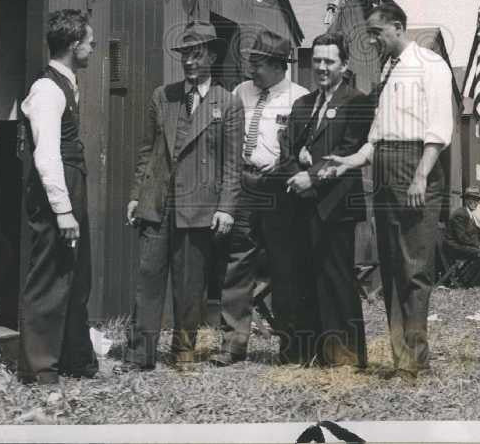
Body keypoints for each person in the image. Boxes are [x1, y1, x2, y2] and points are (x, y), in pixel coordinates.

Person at [321, 2, 454, 380]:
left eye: (377, 32)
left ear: (398, 27)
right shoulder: (386, 69)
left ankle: (416, 359)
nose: (373, 40)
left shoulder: (430, 65)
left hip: (415, 165)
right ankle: (401, 359)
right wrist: (350, 161)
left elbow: (439, 129)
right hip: (384, 167)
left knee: (414, 267)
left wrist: (421, 176)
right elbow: (377, 135)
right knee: (392, 266)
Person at [124, 21, 242, 370]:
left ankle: (183, 352)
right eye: (185, 55)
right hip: (158, 202)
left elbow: (232, 165)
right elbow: (148, 152)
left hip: (200, 206)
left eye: (197, 54)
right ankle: (138, 355)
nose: (190, 62)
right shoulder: (164, 96)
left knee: (190, 286)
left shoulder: (228, 103)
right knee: (148, 279)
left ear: (212, 55)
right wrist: (136, 195)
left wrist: (226, 208)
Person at [275, 32, 371, 367]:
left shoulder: (357, 102)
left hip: (335, 207)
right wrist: (296, 169)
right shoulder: (302, 105)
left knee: (337, 279)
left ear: (344, 64)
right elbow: (285, 150)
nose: (321, 67)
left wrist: (310, 175)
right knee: (303, 278)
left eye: (329, 61)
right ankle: (308, 353)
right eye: (316, 60)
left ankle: (344, 357)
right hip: (301, 207)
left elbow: (346, 152)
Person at [213, 29, 309, 366]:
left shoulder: (300, 98)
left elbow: (303, 151)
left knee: (285, 266)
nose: (251, 70)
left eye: (258, 63)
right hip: (243, 182)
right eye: (250, 62)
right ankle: (233, 344)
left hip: (278, 188)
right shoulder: (240, 92)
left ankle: (291, 345)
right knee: (237, 262)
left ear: (279, 64)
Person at [18, 9, 99, 384]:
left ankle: (75, 360)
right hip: (58, 188)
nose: (93, 48)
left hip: (72, 183)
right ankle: (39, 369)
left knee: (77, 275)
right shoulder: (47, 89)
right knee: (50, 275)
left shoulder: (68, 83)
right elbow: (45, 153)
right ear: (72, 45)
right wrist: (63, 210)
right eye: (89, 42)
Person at [444, 189, 480, 287]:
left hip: (462, 244)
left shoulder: (469, 213)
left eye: (476, 200)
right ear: (466, 200)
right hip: (455, 247)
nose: (474, 203)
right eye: (471, 199)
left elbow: (471, 235)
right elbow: (462, 238)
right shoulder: (460, 214)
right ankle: (469, 282)